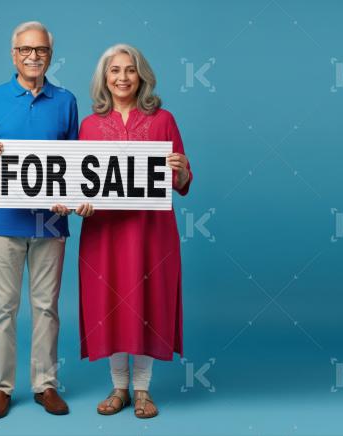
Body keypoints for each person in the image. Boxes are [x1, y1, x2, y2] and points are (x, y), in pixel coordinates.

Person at [0, 21, 78, 419]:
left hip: (50, 224)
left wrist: (70, 197)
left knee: (47, 307)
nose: (33, 56)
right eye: (26, 50)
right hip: (1, 221)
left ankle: (45, 384)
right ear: (14, 55)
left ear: (50, 55)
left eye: (41, 50)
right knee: (3, 308)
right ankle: (1, 388)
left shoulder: (65, 101)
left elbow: (75, 164)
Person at [75, 43, 192, 419]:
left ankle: (142, 391)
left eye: (130, 70)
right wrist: (79, 201)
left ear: (141, 75)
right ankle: (119, 387)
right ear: (104, 78)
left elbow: (181, 181)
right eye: (114, 70)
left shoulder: (163, 120)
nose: (122, 77)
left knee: (146, 302)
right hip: (104, 232)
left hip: (149, 230)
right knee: (109, 303)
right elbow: (80, 184)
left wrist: (184, 169)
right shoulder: (89, 126)